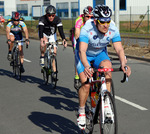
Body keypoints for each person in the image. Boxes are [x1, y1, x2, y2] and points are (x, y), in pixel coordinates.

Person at [75, 4, 131, 130]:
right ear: (95, 21)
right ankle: (82, 111)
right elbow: (82, 52)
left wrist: (123, 63)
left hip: (100, 53)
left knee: (107, 69)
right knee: (87, 83)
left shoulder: (113, 27)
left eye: (108, 21)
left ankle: (106, 105)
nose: (106, 25)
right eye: (102, 22)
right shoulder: (87, 29)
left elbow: (119, 49)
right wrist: (86, 66)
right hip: (84, 56)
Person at [38, 5, 67, 78]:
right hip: (44, 33)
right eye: (49, 15)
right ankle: (42, 56)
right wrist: (41, 39)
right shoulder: (42, 19)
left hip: (52, 34)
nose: (51, 17)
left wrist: (64, 39)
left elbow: (60, 30)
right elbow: (40, 30)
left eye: (53, 15)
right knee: (44, 42)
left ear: (55, 15)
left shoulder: (57, 19)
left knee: (54, 53)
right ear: (46, 14)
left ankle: (54, 71)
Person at [71, 6, 93, 91]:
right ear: (83, 16)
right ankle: (77, 77)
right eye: (87, 16)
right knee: (78, 55)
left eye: (91, 17)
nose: (89, 18)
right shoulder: (79, 20)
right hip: (78, 38)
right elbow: (77, 33)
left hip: (88, 39)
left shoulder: (93, 21)